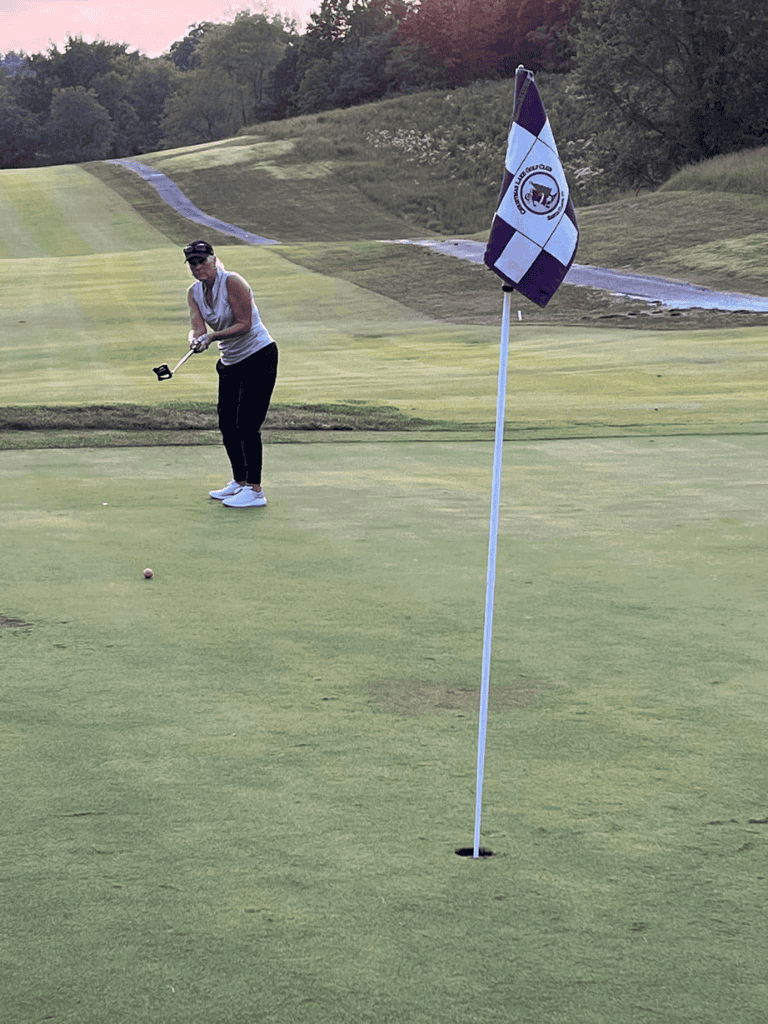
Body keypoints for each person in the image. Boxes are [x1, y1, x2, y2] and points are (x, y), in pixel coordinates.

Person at [184, 240, 278, 509]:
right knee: (227, 423)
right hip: (231, 362)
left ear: (214, 259)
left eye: (203, 260)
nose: (199, 266)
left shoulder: (233, 282)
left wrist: (212, 337)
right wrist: (196, 340)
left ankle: (255, 490)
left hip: (259, 356)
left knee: (248, 423)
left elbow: (245, 324)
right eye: (193, 263)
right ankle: (239, 481)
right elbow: (196, 327)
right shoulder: (194, 292)